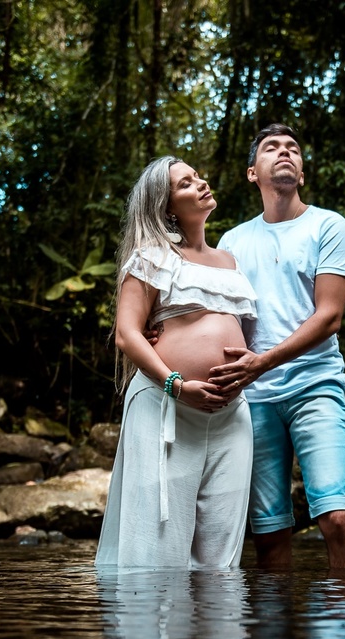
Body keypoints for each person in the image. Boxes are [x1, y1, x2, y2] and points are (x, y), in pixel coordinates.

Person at [208, 123, 345, 570]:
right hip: (253, 398)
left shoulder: (329, 226)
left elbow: (329, 316)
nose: (285, 153)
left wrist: (266, 361)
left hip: (316, 385)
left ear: (302, 170)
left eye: (293, 149)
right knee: (270, 533)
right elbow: (223, 321)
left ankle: (339, 637)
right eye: (272, 148)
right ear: (252, 173)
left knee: (336, 518)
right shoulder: (233, 242)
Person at [95, 156, 258, 569]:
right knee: (157, 542)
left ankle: (214, 634)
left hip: (230, 416)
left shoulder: (231, 262)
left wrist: (247, 368)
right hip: (166, 406)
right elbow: (128, 334)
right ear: (167, 206)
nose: (201, 184)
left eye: (199, 177)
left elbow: (245, 335)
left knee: (221, 551)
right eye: (186, 184)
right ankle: (154, 630)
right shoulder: (152, 256)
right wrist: (177, 383)